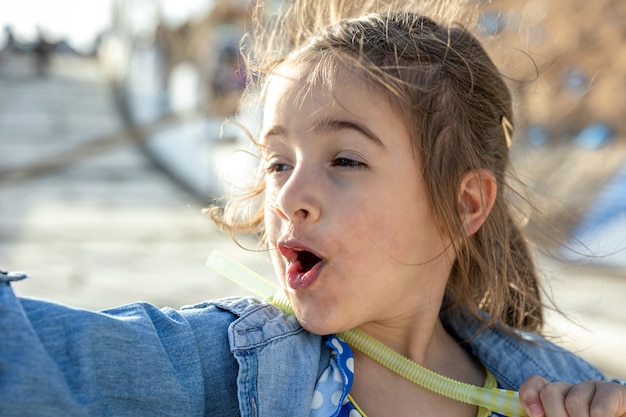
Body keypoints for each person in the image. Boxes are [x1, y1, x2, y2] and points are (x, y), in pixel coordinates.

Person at [1, 1, 625, 416]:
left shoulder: (561, 391)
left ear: (464, 203)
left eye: (345, 160)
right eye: (277, 163)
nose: (288, 197)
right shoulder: (213, 363)